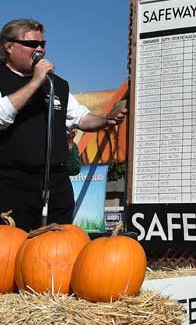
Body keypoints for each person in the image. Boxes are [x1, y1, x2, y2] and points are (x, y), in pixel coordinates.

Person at [0, 19, 125, 231]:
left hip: (56, 183)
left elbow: (81, 118)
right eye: (32, 44)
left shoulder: (56, 84)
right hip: (13, 182)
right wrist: (35, 82)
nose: (40, 49)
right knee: (11, 251)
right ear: (8, 46)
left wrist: (105, 119)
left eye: (43, 44)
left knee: (57, 248)